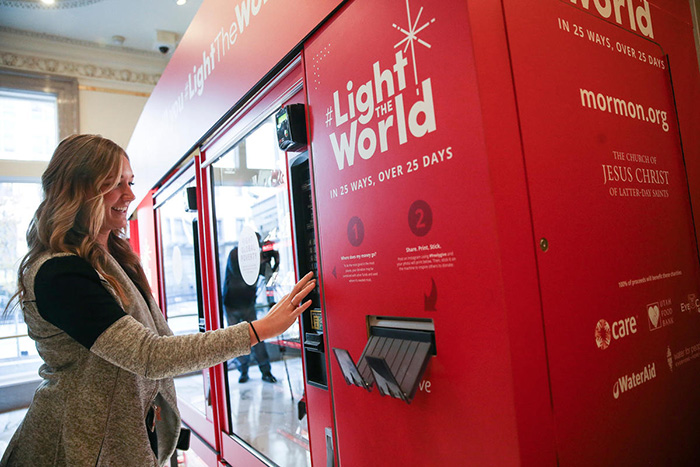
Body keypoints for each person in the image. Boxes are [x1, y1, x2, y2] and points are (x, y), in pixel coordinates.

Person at [0, 135, 315, 467]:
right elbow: (149, 355)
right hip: (71, 447)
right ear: (78, 189)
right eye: (114, 183)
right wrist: (258, 330)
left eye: (130, 182)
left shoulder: (115, 259)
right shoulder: (59, 273)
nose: (131, 194)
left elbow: (157, 347)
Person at [222, 237, 278, 383]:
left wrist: (275, 262)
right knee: (237, 340)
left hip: (248, 304)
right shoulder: (235, 254)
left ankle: (266, 371)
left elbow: (269, 277)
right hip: (232, 304)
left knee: (257, 337)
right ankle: (243, 371)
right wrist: (260, 261)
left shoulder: (257, 258)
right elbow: (242, 274)